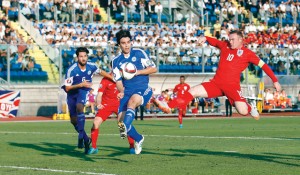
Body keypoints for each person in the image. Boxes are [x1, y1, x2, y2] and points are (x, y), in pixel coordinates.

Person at [168, 30, 281, 120]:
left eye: (233, 39)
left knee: (243, 111)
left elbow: (264, 65)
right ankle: (174, 106)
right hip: (216, 84)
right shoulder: (225, 46)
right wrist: (205, 38)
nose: (230, 41)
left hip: (232, 88)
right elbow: (216, 42)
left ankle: (250, 107)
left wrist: (275, 80)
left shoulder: (248, 54)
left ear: (240, 40)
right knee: (193, 91)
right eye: (229, 39)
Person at [112, 30, 157, 154]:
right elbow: (118, 81)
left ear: (131, 42)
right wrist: (121, 91)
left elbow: (154, 69)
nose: (126, 45)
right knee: (120, 124)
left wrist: (138, 72)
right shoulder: (115, 61)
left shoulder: (140, 53)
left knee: (132, 103)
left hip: (142, 88)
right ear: (119, 45)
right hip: (127, 92)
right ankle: (139, 138)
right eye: (123, 43)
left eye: (128, 42)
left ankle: (127, 127)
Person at [62, 47, 112, 154]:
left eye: (85, 56)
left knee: (80, 107)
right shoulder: (71, 70)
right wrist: (81, 84)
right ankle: (85, 138)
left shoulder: (91, 66)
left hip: (83, 91)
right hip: (72, 94)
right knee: (73, 121)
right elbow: (67, 88)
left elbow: (101, 71)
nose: (83, 58)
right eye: (81, 56)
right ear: (77, 57)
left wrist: (112, 78)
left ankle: (82, 138)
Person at [87, 71, 135, 155]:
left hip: (120, 104)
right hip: (106, 105)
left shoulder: (124, 79)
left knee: (123, 125)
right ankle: (94, 147)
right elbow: (99, 95)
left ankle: (132, 147)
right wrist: (98, 103)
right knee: (95, 123)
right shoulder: (105, 79)